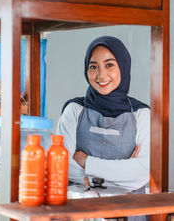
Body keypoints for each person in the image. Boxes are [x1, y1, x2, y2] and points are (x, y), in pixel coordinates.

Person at [56, 36, 150, 221]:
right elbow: (63, 168)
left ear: (123, 66)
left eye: (109, 65)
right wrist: (122, 176)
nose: (101, 75)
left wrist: (86, 163)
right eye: (93, 66)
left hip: (129, 213)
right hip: (82, 214)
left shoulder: (142, 114)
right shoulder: (74, 110)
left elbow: (143, 173)